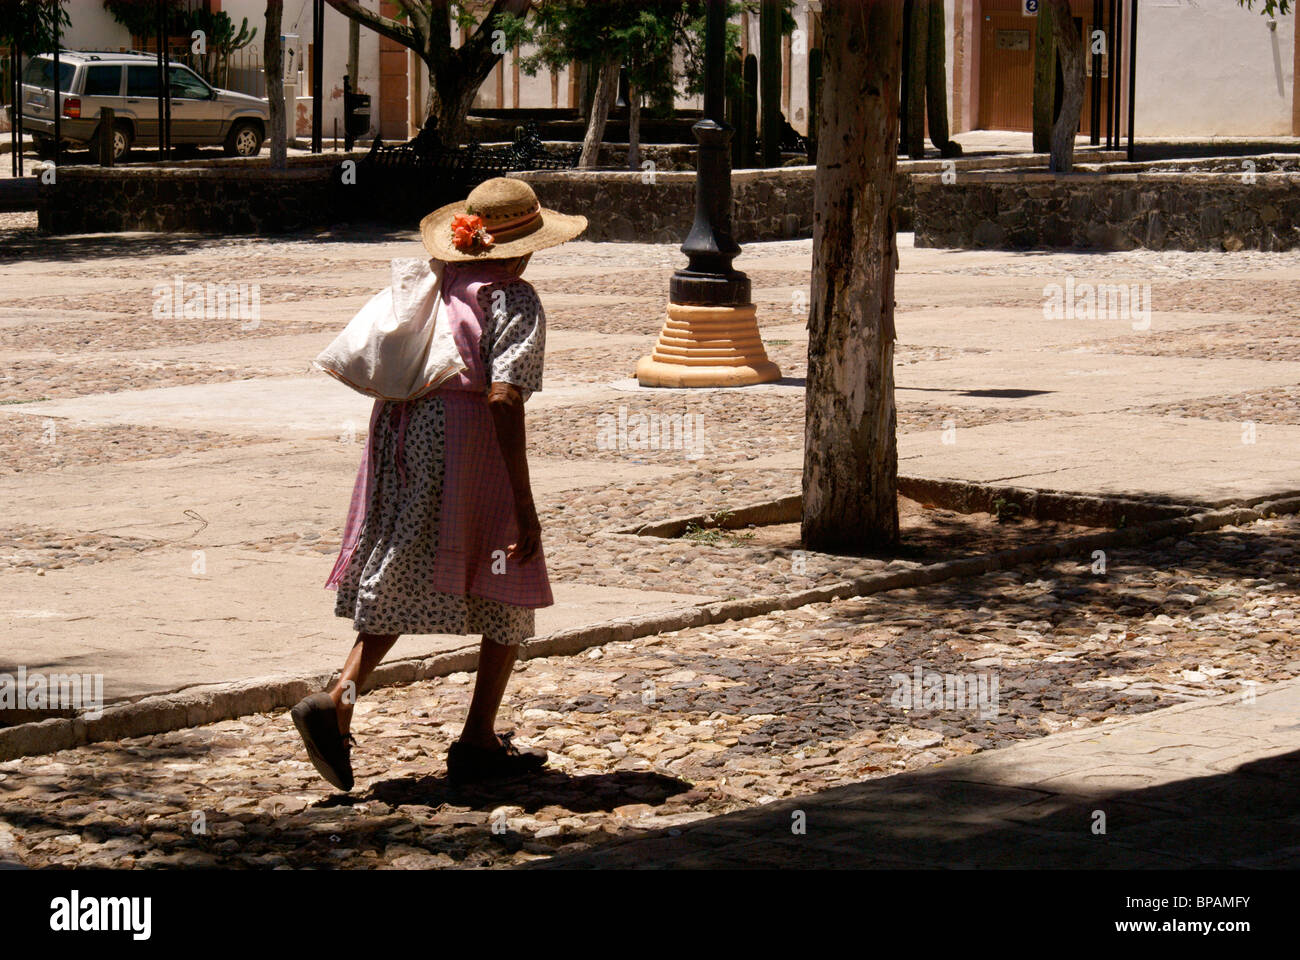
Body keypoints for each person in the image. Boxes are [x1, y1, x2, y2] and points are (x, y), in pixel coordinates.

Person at [291, 178, 586, 791]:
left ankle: (342, 697)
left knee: (407, 563)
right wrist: (525, 506)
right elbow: (503, 396)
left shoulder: (437, 283)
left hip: (402, 431)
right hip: (466, 442)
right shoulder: (514, 298)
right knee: (509, 569)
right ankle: (476, 736)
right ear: (525, 247)